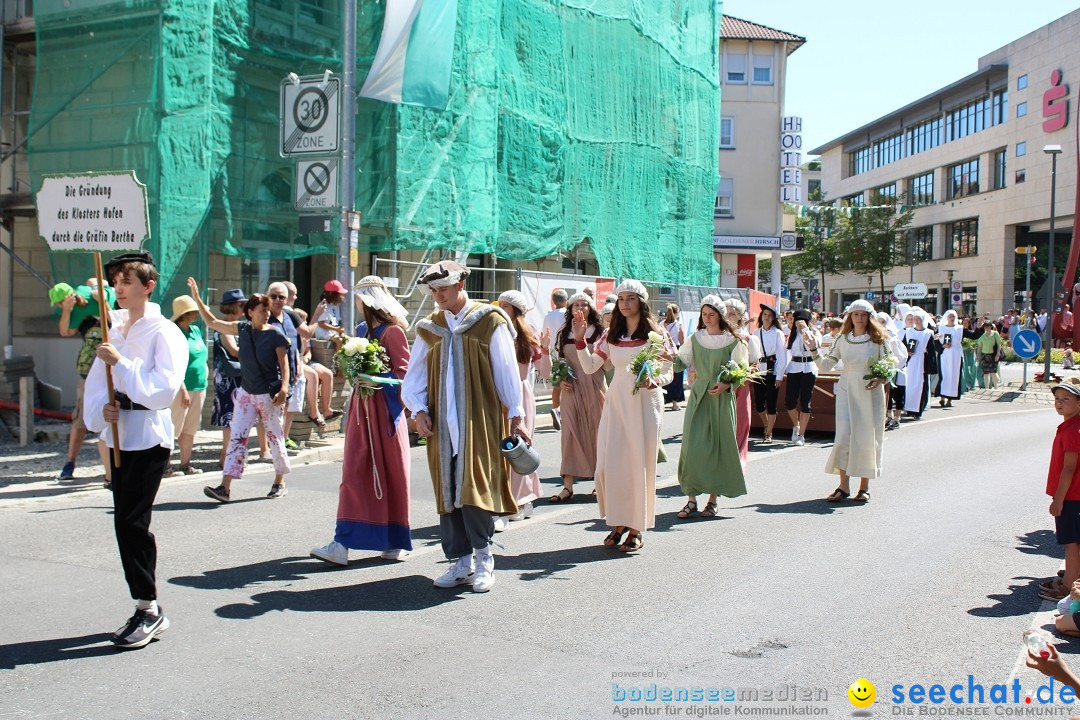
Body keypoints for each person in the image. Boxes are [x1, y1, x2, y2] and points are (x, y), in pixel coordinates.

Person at [401, 260, 527, 593]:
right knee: (448, 491)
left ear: (460, 286)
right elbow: (413, 377)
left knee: (475, 489)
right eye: (433, 290)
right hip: (442, 424)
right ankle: (461, 561)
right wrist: (417, 410)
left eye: (443, 289)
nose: (438, 295)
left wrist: (516, 412)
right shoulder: (430, 327)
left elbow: (505, 370)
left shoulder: (489, 321)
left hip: (480, 419)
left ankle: (485, 558)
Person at [83, 252, 187, 649]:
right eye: (114, 282)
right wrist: (101, 410)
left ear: (148, 286)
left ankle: (149, 609)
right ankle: (145, 606)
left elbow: (162, 389)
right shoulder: (117, 330)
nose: (117, 289)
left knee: (131, 521)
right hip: (118, 436)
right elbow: (97, 385)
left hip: (148, 437)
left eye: (125, 281)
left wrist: (122, 363)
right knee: (123, 521)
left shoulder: (163, 332)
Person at [310, 276, 413, 565]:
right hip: (361, 410)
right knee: (355, 471)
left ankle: (394, 540)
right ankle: (342, 541)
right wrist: (354, 371)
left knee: (392, 473)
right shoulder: (359, 330)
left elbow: (404, 376)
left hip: (384, 412)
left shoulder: (393, 332)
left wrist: (375, 378)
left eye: (358, 297)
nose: (356, 302)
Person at [572, 279, 672, 553]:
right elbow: (592, 367)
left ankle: (636, 526)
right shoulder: (610, 334)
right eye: (621, 298)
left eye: (630, 298)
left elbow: (668, 371)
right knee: (608, 465)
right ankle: (617, 522)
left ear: (641, 301)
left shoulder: (655, 333)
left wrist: (656, 381)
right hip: (616, 402)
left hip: (644, 403)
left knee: (638, 465)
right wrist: (580, 340)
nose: (625, 303)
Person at [188, 279, 292, 501]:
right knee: (237, 437)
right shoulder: (242, 329)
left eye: (267, 310)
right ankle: (225, 487)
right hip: (246, 394)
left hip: (269, 395)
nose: (267, 314)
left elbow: (284, 364)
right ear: (250, 312)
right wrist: (197, 298)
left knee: (275, 437)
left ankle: (279, 481)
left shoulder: (275, 334)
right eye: (262, 310)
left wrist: (284, 388)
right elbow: (213, 322)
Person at [674, 295, 746, 519]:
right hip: (699, 395)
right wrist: (664, 354)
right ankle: (691, 498)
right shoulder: (696, 338)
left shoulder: (734, 340)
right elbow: (679, 362)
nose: (707, 318)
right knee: (692, 447)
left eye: (711, 314)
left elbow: (742, 370)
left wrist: (727, 384)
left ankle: (712, 500)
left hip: (721, 398)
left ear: (720, 316)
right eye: (704, 314)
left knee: (717, 448)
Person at [819, 300, 893, 503]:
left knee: (866, 438)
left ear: (869, 316)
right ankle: (843, 486)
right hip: (846, 388)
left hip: (870, 393)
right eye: (855, 314)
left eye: (863, 314)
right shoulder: (842, 339)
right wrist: (813, 350)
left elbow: (890, 365)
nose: (859, 318)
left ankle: (864, 487)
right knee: (843, 437)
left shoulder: (879, 340)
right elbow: (827, 364)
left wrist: (882, 377)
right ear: (850, 317)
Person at [491, 290, 551, 530]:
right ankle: (521, 499)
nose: (499, 308)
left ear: (516, 310)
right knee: (499, 450)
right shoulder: (493, 332)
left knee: (517, 448)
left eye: (505, 305)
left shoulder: (528, 336)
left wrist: (545, 349)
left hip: (520, 395)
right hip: (496, 395)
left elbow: (545, 373)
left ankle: (512, 504)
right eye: (499, 304)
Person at [53, 279, 115, 485]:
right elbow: (65, 331)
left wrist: (102, 300)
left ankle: (112, 470)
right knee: (80, 419)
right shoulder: (81, 316)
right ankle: (70, 462)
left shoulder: (108, 300)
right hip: (89, 375)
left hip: (114, 373)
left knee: (114, 420)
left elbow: (114, 323)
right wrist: (67, 311)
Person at [548, 292, 606, 503]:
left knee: (597, 434)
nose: (580, 307)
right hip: (570, 389)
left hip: (594, 386)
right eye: (576, 305)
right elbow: (558, 362)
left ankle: (600, 483)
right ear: (570, 309)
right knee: (569, 435)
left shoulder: (600, 332)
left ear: (591, 309)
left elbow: (605, 364)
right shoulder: (563, 332)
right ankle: (567, 487)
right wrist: (560, 381)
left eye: (584, 304)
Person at [167, 295, 208, 475]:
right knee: (173, 426)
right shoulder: (173, 334)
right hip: (181, 388)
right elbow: (171, 363)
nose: (196, 315)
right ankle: (165, 465)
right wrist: (182, 388)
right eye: (193, 312)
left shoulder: (195, 331)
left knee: (190, 429)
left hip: (198, 387)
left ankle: (185, 463)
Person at [782, 308, 821, 446]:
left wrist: (805, 330)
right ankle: (796, 425)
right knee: (790, 401)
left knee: (805, 402)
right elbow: (786, 353)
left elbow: (814, 346)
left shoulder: (814, 333)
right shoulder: (791, 335)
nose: (798, 324)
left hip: (808, 368)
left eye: (802, 321)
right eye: (796, 321)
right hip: (794, 367)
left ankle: (801, 434)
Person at [724, 298, 755, 466]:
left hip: (740, 388)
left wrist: (743, 373)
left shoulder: (747, 338)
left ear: (739, 317)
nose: (727, 317)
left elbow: (755, 363)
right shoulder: (715, 337)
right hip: (719, 387)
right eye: (725, 313)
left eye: (731, 314)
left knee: (740, 425)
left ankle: (736, 466)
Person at [753, 303, 788, 444]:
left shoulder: (777, 333)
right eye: (764, 315)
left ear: (773, 318)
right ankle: (766, 424)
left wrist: (779, 375)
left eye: (769, 315)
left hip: (772, 370)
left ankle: (768, 433)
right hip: (759, 371)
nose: (766, 317)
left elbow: (782, 355)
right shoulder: (756, 333)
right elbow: (753, 353)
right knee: (759, 405)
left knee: (771, 404)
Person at [875, 312, 908, 431]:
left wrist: (894, 367)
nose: (880, 324)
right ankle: (889, 415)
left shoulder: (893, 338)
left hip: (896, 370)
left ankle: (897, 417)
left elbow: (902, 355)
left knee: (898, 394)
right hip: (884, 370)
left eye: (882, 322)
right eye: (878, 321)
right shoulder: (875, 336)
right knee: (886, 394)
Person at [901, 309, 934, 419]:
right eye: (915, 319)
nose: (917, 321)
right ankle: (909, 409)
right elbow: (903, 346)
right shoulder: (909, 331)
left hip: (921, 362)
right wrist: (907, 352)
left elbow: (931, 351)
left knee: (920, 386)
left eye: (919, 319)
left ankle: (918, 410)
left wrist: (929, 367)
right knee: (909, 386)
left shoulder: (928, 333)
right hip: (911, 362)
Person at [543, 288, 569, 430]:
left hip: (553, 355)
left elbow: (544, 334)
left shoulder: (549, 316)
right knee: (568, 386)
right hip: (567, 353)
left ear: (553, 302)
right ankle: (563, 413)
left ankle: (556, 409)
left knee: (557, 386)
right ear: (566, 301)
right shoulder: (568, 315)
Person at [934, 310, 964, 408]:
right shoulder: (941, 328)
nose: (952, 318)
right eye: (950, 316)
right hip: (944, 355)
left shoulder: (959, 328)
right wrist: (942, 346)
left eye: (953, 316)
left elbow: (973, 335)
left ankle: (949, 399)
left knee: (953, 377)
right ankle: (942, 397)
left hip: (956, 356)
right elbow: (935, 341)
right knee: (944, 376)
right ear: (946, 317)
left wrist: (980, 327)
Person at [663, 303, 686, 410]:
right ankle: (674, 403)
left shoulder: (661, 324)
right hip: (675, 351)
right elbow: (682, 341)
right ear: (677, 313)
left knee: (664, 374)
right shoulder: (679, 325)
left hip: (664, 351)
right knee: (677, 377)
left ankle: (663, 400)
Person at [976, 320, 1003, 389]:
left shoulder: (995, 334)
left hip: (992, 355)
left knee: (993, 372)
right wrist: (977, 356)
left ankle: (996, 387)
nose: (987, 328)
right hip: (984, 355)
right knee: (986, 373)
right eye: (985, 327)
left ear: (991, 327)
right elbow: (979, 347)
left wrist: (998, 354)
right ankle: (987, 388)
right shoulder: (982, 336)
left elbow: (999, 344)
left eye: (988, 327)